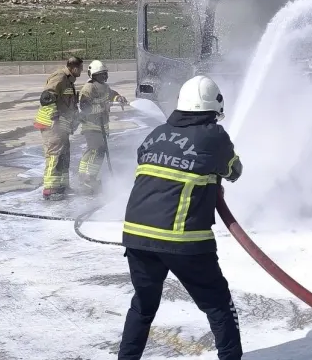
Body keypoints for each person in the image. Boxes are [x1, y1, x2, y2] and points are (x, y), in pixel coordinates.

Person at [118, 75, 243, 360]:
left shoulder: (156, 133)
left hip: (136, 236)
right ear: (214, 107)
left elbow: (148, 164)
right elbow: (234, 171)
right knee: (219, 307)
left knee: (143, 307)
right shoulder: (214, 135)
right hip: (183, 240)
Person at [33, 56, 83, 201]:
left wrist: (75, 120)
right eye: (80, 68)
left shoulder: (69, 82)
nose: (81, 71)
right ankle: (50, 189)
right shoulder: (60, 77)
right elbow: (47, 97)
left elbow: (68, 104)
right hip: (52, 125)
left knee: (64, 155)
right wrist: (53, 118)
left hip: (62, 125)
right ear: (74, 67)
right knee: (54, 155)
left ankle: (62, 185)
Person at [76, 60, 128, 194]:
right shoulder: (89, 88)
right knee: (98, 150)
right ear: (93, 75)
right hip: (91, 125)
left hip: (102, 125)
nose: (104, 77)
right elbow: (85, 108)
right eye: (101, 74)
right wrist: (102, 107)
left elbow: (112, 94)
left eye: (105, 74)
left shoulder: (104, 87)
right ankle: (89, 178)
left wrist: (119, 98)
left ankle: (83, 175)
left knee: (93, 150)